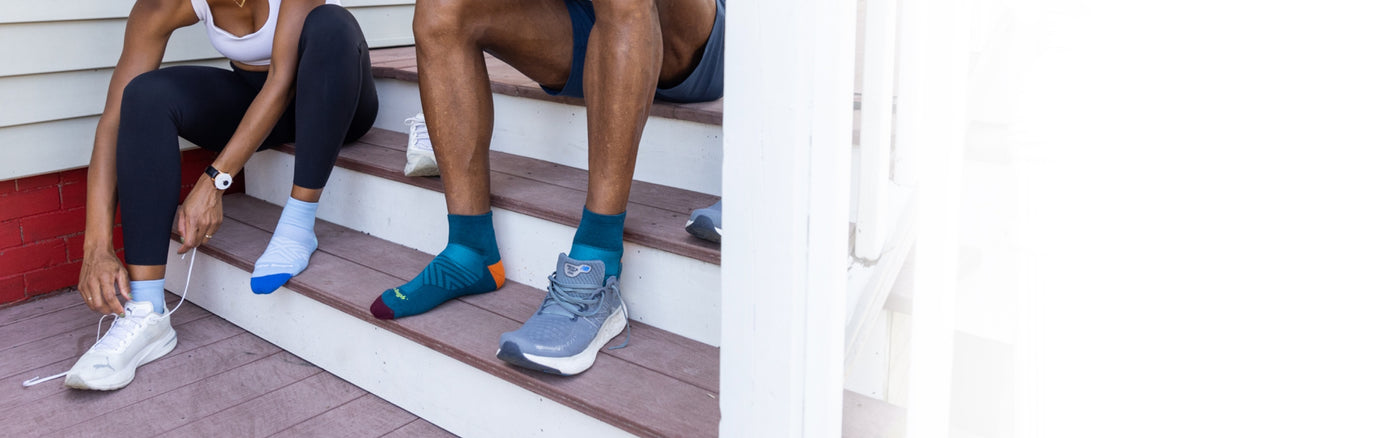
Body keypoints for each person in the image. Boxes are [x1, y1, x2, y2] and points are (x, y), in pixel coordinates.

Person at [369, 0, 725, 376]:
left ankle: (597, 257)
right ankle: (469, 248)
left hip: (686, 39)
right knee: (441, 10)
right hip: (591, 30)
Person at [70, 0, 378, 390]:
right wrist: (95, 245)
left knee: (332, 23)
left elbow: (283, 80)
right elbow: (112, 121)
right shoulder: (161, 6)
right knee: (143, 95)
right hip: (261, 103)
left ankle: (298, 223)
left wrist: (215, 179)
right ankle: (147, 311)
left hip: (338, 97)